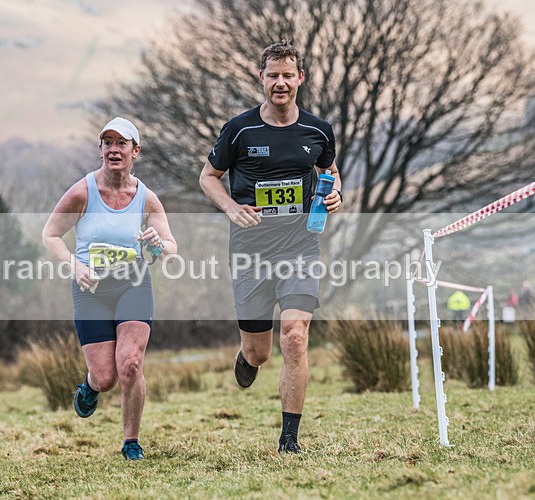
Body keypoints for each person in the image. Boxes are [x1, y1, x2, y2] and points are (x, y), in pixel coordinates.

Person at [198, 40, 343, 453]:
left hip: (300, 248)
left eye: (287, 75)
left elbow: (329, 172)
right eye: (272, 75)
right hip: (250, 253)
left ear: (300, 78)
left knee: (295, 336)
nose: (280, 83)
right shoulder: (240, 129)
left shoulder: (318, 130)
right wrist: (229, 207)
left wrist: (335, 195)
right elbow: (208, 176)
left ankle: (289, 439)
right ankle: (246, 357)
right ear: (261, 79)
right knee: (259, 352)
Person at [42, 117, 177, 461]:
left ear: (136, 151)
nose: (114, 149)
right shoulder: (82, 192)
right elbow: (51, 234)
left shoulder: (145, 198)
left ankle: (131, 441)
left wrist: (158, 243)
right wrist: (75, 265)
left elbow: (169, 248)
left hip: (133, 283)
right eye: (108, 143)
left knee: (130, 364)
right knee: (106, 378)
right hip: (91, 290)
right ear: (100, 149)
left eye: (122, 143)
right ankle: (89, 385)